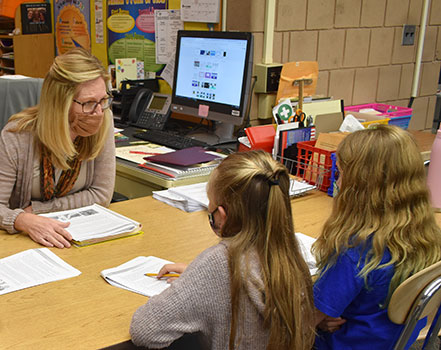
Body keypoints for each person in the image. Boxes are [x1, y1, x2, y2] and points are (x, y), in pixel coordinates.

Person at [130, 150, 315, 350]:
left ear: (221, 215)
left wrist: (198, 278)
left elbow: (145, 331)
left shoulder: (220, 262)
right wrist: (198, 276)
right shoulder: (291, 253)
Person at [312, 125, 441, 349]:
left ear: (360, 188)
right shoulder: (426, 235)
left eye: (340, 174)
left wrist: (320, 321)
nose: (338, 183)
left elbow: (305, 321)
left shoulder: (355, 252)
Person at [0, 47, 116, 248]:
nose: (98, 112)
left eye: (103, 100)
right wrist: (21, 220)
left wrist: (35, 210)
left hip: (78, 235)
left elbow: (101, 195)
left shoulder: (104, 120)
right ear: (59, 103)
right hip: (23, 242)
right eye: (88, 103)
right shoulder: (17, 136)